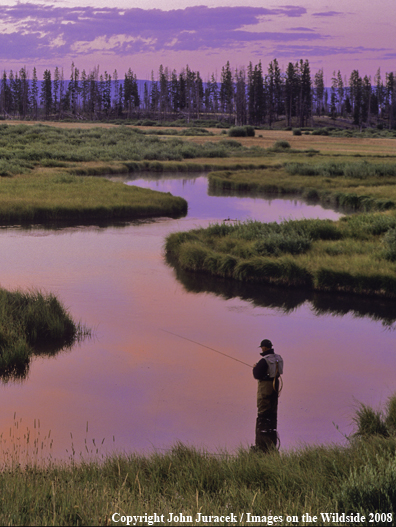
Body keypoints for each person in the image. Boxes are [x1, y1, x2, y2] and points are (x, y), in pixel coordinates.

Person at [252, 339, 283, 451]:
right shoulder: (278, 358)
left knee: (263, 409)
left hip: (266, 386)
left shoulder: (264, 360)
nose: (261, 349)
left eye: (262, 347)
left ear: (264, 348)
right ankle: (270, 431)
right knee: (273, 407)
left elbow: (257, 374)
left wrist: (255, 367)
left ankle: (262, 443)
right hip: (275, 384)